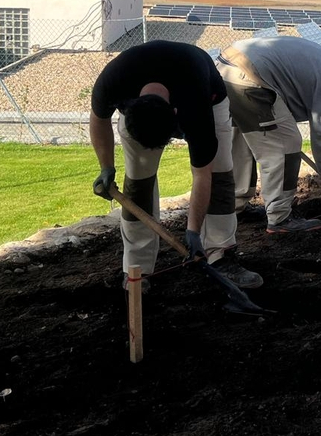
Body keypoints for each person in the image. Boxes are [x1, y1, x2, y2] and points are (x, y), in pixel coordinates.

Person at [89, 40, 261, 290]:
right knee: (138, 185)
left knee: (220, 172)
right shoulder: (112, 82)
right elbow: (98, 119)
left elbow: (203, 174)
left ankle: (221, 253)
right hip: (144, 96)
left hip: (210, 99)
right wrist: (106, 167)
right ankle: (136, 270)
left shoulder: (195, 107)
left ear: (176, 115)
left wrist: (192, 230)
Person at [214, 37, 321, 235]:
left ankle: (236, 207)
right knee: (286, 145)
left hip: (225, 69)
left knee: (244, 140)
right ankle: (279, 217)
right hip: (250, 77)